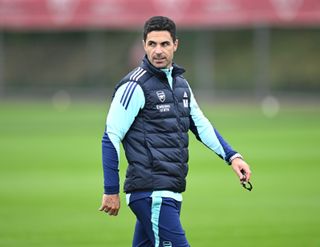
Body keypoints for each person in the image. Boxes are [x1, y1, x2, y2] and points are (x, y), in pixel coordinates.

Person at [99, 16, 252, 247]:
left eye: (164, 44)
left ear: (176, 45)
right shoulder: (134, 86)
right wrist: (111, 190)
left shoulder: (181, 85)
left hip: (169, 189)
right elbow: (110, 136)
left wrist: (233, 156)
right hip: (152, 192)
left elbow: (200, 124)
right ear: (144, 45)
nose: (158, 51)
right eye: (152, 44)